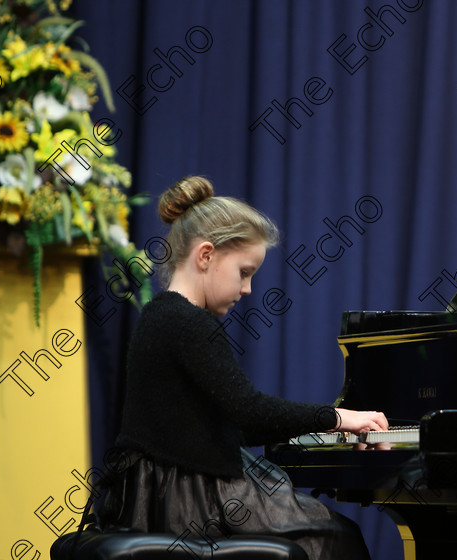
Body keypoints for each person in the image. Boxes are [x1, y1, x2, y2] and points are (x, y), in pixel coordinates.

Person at [94, 175, 388, 560]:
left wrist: (319, 426)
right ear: (206, 256)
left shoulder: (159, 315)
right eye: (244, 272)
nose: (247, 289)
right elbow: (248, 409)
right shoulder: (189, 323)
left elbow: (236, 425)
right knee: (336, 539)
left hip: (157, 491)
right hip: (189, 498)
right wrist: (338, 418)